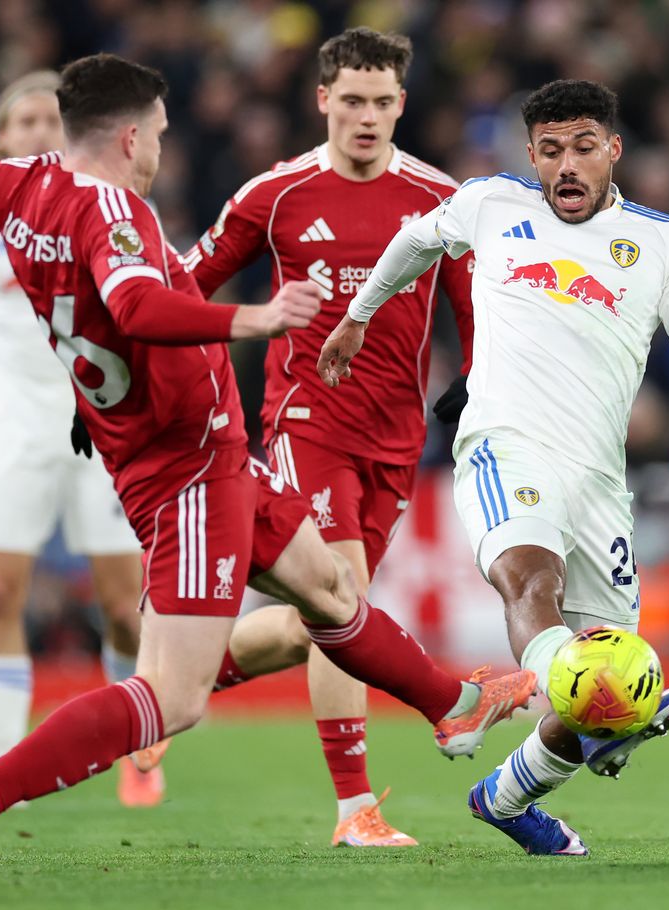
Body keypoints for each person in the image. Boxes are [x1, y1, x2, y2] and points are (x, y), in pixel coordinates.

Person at [0, 53, 536, 880]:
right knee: (173, 696)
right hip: (185, 470)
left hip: (204, 448)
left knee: (330, 593)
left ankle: (452, 709)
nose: (164, 149)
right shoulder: (114, 214)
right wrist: (257, 320)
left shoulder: (15, 185)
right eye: (159, 131)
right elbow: (134, 304)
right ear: (129, 137)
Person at [317, 79, 669, 856]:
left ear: (612, 149)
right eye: (549, 150)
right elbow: (416, 241)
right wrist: (357, 317)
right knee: (530, 582)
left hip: (600, 483)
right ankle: (607, 715)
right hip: (503, 445)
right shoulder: (492, 204)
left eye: (581, 147)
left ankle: (506, 798)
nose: (565, 166)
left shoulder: (665, 243)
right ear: (531, 155)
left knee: (595, 697)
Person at [183, 27, 474, 848]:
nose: (368, 117)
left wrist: (474, 380)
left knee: (324, 621)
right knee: (343, 594)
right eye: (352, 100)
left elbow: (472, 303)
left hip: (396, 436)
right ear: (322, 101)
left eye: (383, 102)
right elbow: (180, 288)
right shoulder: (273, 195)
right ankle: (356, 811)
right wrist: (116, 359)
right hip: (305, 423)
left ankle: (166, 684)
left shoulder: (438, 199)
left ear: (402, 105)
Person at [0, 71, 157, 807]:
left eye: (47, 120)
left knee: (124, 606)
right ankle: (2, 772)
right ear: (0, 139)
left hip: (101, 421)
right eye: (20, 121)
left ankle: (136, 745)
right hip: (12, 424)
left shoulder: (106, 205)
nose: (34, 132)